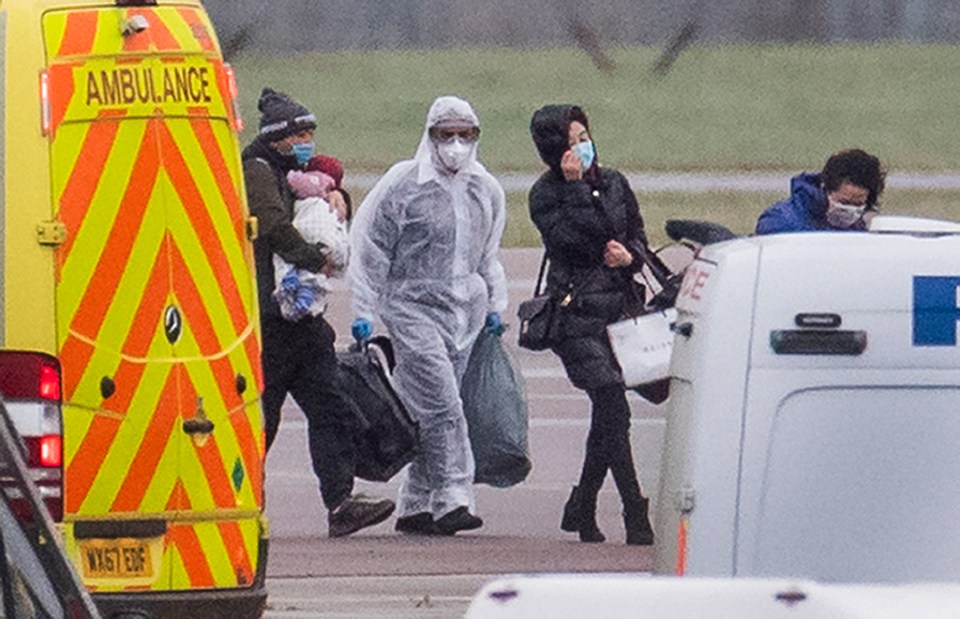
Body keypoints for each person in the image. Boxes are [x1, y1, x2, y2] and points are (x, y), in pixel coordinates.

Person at [349, 95, 507, 536]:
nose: (456, 144)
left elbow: (488, 256)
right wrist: (362, 310)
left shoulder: (485, 190)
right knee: (445, 404)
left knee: (424, 410)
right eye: (445, 134)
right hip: (411, 308)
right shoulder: (403, 185)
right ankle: (455, 495)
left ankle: (416, 504)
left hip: (465, 315)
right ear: (430, 135)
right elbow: (370, 251)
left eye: (465, 134)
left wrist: (496, 304)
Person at [242, 87, 394, 538]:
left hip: (304, 321)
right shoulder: (257, 170)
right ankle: (243, 504)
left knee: (331, 409)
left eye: (311, 132)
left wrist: (338, 196)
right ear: (278, 137)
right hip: (272, 320)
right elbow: (271, 224)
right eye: (300, 133)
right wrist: (314, 258)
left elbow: (321, 185)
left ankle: (340, 502)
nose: (308, 140)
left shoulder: (293, 170)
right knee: (261, 421)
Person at [528, 103, 656, 545]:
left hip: (619, 311)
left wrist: (631, 255)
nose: (582, 148)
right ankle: (635, 513)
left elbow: (636, 233)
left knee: (608, 414)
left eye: (585, 138)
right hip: (575, 315)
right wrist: (576, 187)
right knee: (612, 404)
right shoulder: (545, 195)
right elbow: (574, 242)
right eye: (571, 142)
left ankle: (583, 503)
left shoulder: (616, 182)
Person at [273, 161, 350, 321]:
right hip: (313, 243)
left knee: (285, 264)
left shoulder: (298, 182)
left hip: (303, 237)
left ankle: (292, 284)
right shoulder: (315, 188)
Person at [755, 148, 886, 235]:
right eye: (843, 202)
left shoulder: (860, 231)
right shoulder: (781, 221)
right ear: (825, 189)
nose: (850, 211)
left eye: (857, 205)